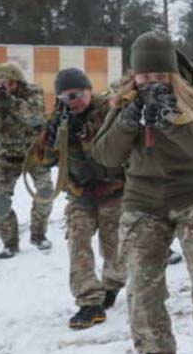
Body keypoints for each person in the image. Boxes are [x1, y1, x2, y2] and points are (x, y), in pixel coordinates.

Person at [92, 32, 193, 354]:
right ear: (134, 75)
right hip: (143, 200)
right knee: (142, 290)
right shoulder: (123, 100)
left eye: (159, 75)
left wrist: (172, 119)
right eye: (144, 76)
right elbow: (105, 155)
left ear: (171, 73)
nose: (151, 82)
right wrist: (127, 122)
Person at [25, 68, 125, 329]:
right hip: (80, 194)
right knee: (78, 242)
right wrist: (52, 135)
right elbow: (42, 161)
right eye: (66, 97)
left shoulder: (109, 111)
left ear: (90, 91)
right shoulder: (59, 120)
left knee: (115, 247)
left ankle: (112, 283)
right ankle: (89, 302)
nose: (73, 101)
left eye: (78, 94)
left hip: (113, 190)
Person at [0, 62, 53, 258]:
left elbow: (36, 119)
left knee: (45, 192)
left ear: (19, 82)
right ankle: (10, 243)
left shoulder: (33, 93)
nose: (4, 88)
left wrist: (13, 104)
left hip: (34, 154)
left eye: (9, 84)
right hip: (7, 158)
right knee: (0, 202)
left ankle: (38, 234)